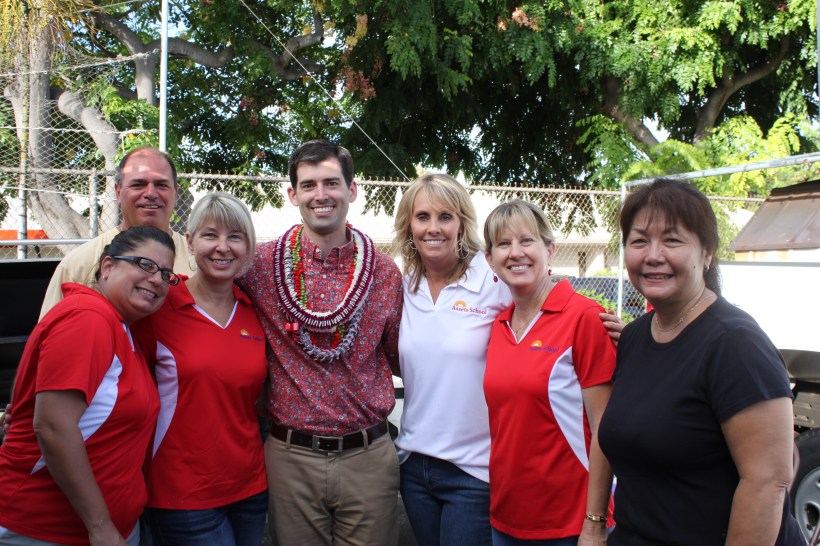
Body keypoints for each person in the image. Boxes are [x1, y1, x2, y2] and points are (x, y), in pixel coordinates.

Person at [597, 179, 804, 545]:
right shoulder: (635, 337)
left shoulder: (735, 344)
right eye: (639, 240)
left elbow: (767, 482)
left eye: (673, 240)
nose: (653, 255)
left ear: (707, 254)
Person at [237, 139, 404, 546]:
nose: (321, 195)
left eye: (331, 183)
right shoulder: (258, 265)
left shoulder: (383, 272)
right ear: (293, 194)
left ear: (352, 190)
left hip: (368, 455)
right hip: (291, 457)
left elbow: (403, 356)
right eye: (309, 185)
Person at [0, 226, 177, 546]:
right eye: (145, 265)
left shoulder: (122, 328)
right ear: (107, 266)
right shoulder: (88, 317)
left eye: (166, 273)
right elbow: (53, 426)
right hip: (44, 528)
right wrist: (101, 526)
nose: (156, 279)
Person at [133, 193, 268, 545]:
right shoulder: (159, 305)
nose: (222, 247)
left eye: (235, 237)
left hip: (250, 488)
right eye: (210, 235)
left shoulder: (254, 310)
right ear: (190, 242)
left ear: (248, 246)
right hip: (182, 495)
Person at [483, 199, 615, 546]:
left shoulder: (584, 317)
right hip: (507, 520)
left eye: (526, 241)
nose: (516, 253)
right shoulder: (498, 325)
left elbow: (605, 427)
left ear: (550, 250)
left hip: (570, 524)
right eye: (503, 244)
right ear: (489, 259)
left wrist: (595, 522)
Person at [391, 173, 513, 546]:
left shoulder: (493, 280)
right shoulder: (403, 286)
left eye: (445, 216)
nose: (433, 228)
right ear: (408, 225)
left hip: (474, 470)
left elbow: (547, 310)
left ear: (461, 222)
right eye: (422, 216)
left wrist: (601, 325)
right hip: (413, 465)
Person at [39, 146, 194, 319]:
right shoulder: (78, 265)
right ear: (118, 193)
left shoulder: (198, 261)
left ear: (175, 193)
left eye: (161, 185)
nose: (151, 193)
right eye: (138, 184)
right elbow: (49, 336)